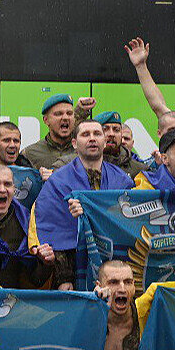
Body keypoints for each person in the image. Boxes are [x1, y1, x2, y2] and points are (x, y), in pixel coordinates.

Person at [29, 120, 135, 290]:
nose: (92, 138)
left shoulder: (122, 180)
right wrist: (64, 278)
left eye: (97, 134)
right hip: (74, 270)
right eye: (85, 134)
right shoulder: (58, 182)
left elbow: (130, 228)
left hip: (116, 269)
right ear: (74, 144)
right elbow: (54, 232)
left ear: (104, 141)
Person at [93, 260, 138, 350]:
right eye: (113, 282)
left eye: (128, 282)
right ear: (99, 286)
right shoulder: (88, 318)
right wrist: (95, 306)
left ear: (134, 287)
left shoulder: (145, 318)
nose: (122, 288)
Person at [21, 94, 76, 171]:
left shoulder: (83, 150)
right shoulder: (30, 153)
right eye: (58, 114)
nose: (65, 117)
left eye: (69, 113)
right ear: (46, 120)